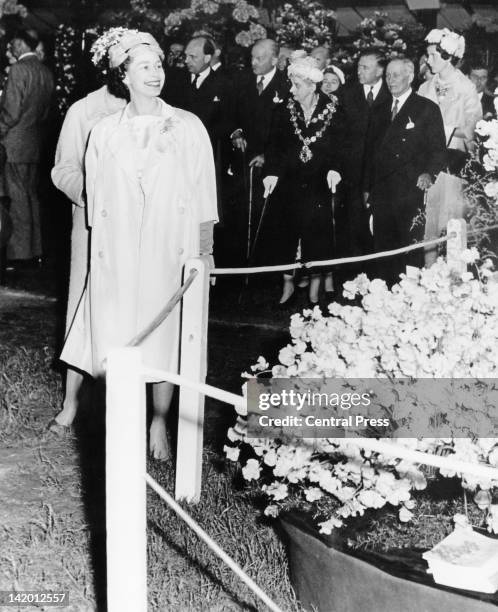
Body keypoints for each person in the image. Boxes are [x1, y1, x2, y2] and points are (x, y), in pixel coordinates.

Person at [59, 32, 218, 460]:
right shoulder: (104, 132)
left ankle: (159, 422)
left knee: (165, 336)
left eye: (159, 66)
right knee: (117, 337)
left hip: (171, 251)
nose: (156, 74)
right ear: (123, 75)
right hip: (118, 255)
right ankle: (119, 425)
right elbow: (97, 207)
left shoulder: (189, 126)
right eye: (144, 67)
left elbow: (205, 197)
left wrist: (204, 251)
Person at [47, 28, 131, 434]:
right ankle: (71, 402)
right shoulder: (84, 110)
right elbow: (62, 169)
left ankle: (130, 404)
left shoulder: (154, 111)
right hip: (92, 225)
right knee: (82, 305)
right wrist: (96, 197)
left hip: (138, 230)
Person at [262, 56, 345, 307]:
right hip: (289, 181)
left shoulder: (334, 108)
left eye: (296, 85)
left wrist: (335, 169)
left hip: (320, 181)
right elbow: (274, 147)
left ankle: (314, 289)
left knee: (317, 236)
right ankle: (287, 285)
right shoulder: (283, 109)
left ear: (311, 85)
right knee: (286, 233)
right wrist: (271, 172)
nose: (291, 89)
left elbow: (343, 147)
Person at [365, 58, 447, 284]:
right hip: (382, 191)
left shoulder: (426, 108)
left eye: (396, 75)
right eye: (388, 75)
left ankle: (410, 297)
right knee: (383, 247)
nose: (391, 80)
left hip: (410, 191)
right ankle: (383, 294)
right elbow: (369, 153)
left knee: (410, 247)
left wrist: (429, 173)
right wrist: (367, 188)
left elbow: (438, 150)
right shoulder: (379, 110)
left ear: (410, 77)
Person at [419, 29, 482, 266]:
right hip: (425, 162)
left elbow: (472, 129)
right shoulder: (425, 87)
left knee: (450, 223)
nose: (428, 60)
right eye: (427, 55)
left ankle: (453, 277)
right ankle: (428, 274)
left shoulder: (466, 88)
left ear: (448, 57)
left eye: (433, 55)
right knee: (426, 224)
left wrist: (439, 129)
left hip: (452, 163)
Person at [228, 38, 289, 265]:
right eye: (252, 57)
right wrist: (235, 132)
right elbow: (230, 113)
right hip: (242, 161)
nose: (253, 62)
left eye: (259, 58)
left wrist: (268, 156)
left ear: (275, 60)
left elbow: (287, 131)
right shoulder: (241, 81)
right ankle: (239, 265)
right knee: (240, 218)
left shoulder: (287, 85)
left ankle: (262, 268)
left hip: (269, 164)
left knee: (268, 220)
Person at [0, 29, 54, 265]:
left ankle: (20, 253)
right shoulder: (45, 71)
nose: (10, 48)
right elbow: (45, 112)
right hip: (34, 142)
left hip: (13, 142)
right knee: (31, 196)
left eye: (13, 44)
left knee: (16, 199)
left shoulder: (19, 70)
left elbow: (11, 111)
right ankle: (36, 250)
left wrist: (0, 130)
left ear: (21, 43)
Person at [338, 50, 391, 258]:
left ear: (380, 71)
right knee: (352, 223)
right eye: (358, 66)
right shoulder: (347, 93)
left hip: (380, 172)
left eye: (365, 67)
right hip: (351, 172)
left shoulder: (392, 95)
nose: (358, 71)